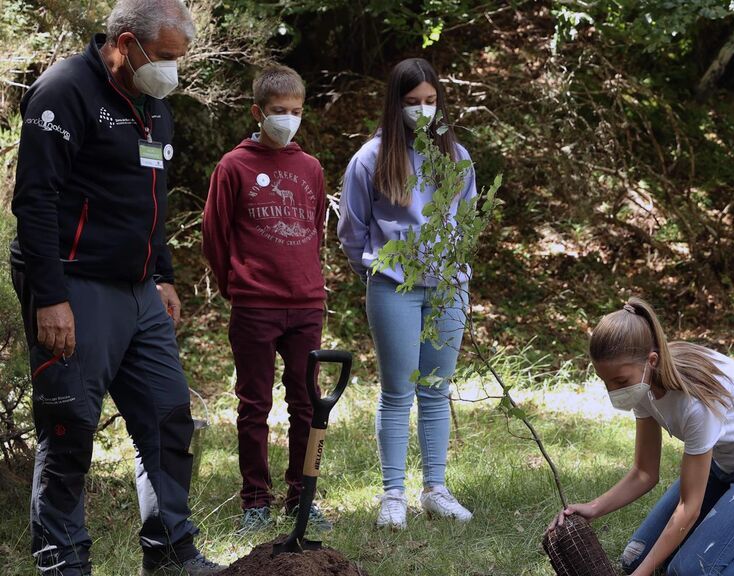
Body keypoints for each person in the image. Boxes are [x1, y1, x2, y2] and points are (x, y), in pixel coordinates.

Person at [7, 0, 225, 574]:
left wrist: (164, 274)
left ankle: (171, 551)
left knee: (169, 416)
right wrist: (50, 298)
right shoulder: (64, 91)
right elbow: (34, 200)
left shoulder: (153, 105)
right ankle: (63, 561)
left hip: (138, 289)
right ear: (125, 42)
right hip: (72, 283)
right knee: (70, 424)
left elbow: (150, 199)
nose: (173, 72)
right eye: (167, 58)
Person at [548, 297, 734, 576]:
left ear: (651, 360)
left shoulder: (694, 402)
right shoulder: (643, 383)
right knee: (633, 558)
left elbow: (688, 509)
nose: (614, 391)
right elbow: (644, 472)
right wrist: (595, 508)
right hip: (723, 464)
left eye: (620, 381)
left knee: (689, 571)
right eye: (606, 382)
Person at [337, 57, 476, 529]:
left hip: (449, 288)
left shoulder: (456, 157)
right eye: (413, 102)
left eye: (431, 101)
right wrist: (376, 271)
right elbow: (352, 231)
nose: (422, 110)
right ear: (395, 104)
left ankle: (435, 488)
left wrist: (457, 270)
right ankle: (392, 494)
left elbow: (468, 220)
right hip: (393, 286)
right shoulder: (370, 159)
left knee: (436, 390)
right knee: (398, 392)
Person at [202, 64, 331, 534]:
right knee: (253, 404)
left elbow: (314, 230)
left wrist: (306, 283)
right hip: (255, 304)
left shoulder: (310, 167)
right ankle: (255, 499)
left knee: (307, 402)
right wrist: (236, 285)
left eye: (296, 111)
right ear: (258, 112)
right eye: (279, 111)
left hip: (305, 304)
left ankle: (303, 495)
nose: (288, 119)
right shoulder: (233, 166)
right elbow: (214, 238)